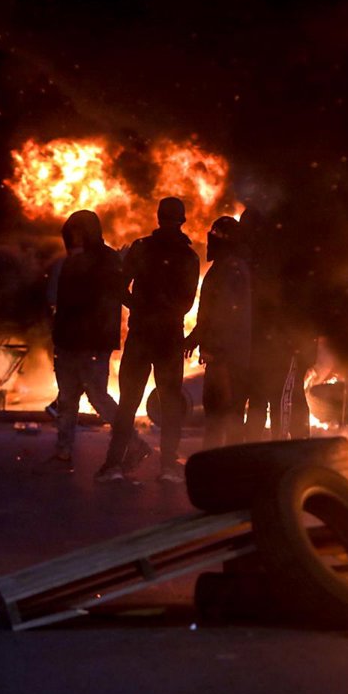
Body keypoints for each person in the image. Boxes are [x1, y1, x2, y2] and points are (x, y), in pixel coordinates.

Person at [96, 197, 199, 483]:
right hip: (168, 337)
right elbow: (187, 303)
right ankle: (167, 466)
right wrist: (163, 312)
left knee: (129, 402)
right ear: (182, 220)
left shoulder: (142, 248)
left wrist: (139, 308)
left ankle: (114, 465)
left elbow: (118, 286)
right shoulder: (188, 256)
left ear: (159, 218)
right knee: (170, 404)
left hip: (143, 335)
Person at [40, 210, 152, 473]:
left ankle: (133, 442)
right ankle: (64, 454)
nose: (74, 238)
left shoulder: (101, 261)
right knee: (69, 399)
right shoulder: (91, 261)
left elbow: (99, 298)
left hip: (88, 342)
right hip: (72, 341)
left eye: (78, 232)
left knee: (97, 397)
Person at [240, 207, 313, 441]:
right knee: (268, 399)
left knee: (283, 398)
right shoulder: (254, 263)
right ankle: (270, 447)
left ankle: (286, 446)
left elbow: (299, 305)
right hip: (267, 343)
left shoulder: (276, 263)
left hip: (282, 344)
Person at [184, 216, 251, 450]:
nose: (210, 239)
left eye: (216, 234)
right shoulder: (230, 267)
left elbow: (224, 316)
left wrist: (216, 354)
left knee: (220, 415)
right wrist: (196, 338)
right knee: (225, 415)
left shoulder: (229, 270)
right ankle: (225, 462)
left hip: (225, 358)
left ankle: (219, 463)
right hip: (228, 356)